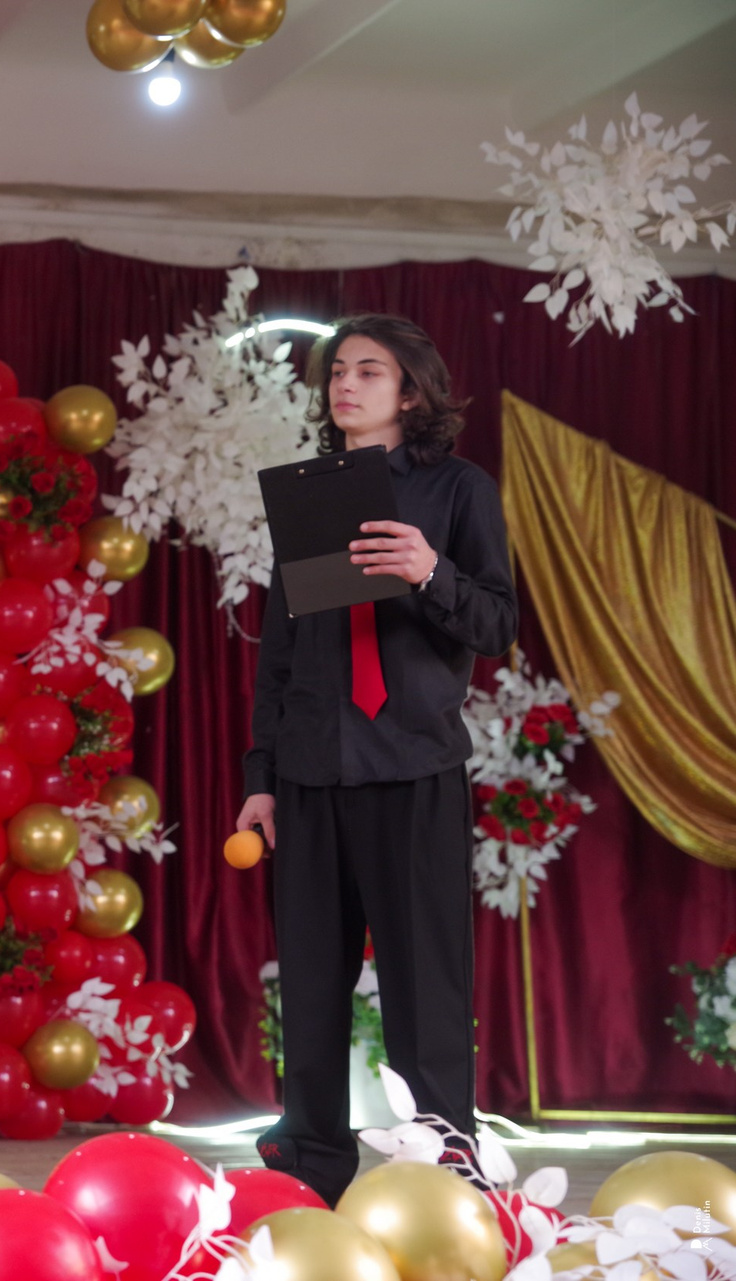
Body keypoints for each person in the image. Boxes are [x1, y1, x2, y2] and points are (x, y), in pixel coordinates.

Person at [236, 313, 517, 1208]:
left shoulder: (460, 490)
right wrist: (261, 780)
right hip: (310, 772)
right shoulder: (308, 494)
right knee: (312, 983)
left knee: (426, 987)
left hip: (414, 767)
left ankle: (445, 1177)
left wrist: (431, 571)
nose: (345, 385)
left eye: (368, 370)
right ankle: (308, 1170)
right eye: (336, 372)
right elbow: (282, 654)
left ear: (412, 390)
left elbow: (498, 625)